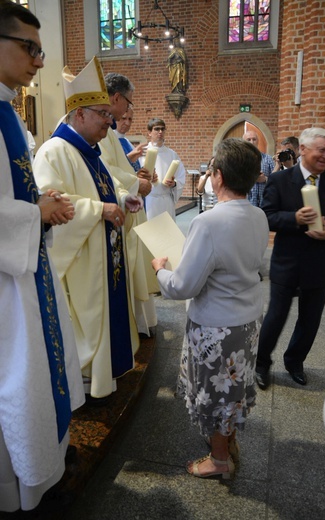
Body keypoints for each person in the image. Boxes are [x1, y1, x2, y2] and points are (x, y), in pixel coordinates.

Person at [0, 2, 84, 512]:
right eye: (29, 48)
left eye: (41, 49)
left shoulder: (7, 111)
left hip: (24, 269)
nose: (38, 61)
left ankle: (39, 469)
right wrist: (36, 212)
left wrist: (37, 209)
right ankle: (17, 486)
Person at [152, 138, 269, 479]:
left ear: (216, 176)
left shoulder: (208, 222)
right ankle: (226, 441)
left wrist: (160, 268)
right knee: (232, 390)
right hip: (246, 321)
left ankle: (219, 461)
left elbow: (183, 286)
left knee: (217, 394)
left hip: (216, 329)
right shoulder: (258, 215)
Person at [34, 57, 144, 400]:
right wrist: (99, 209)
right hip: (81, 263)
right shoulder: (53, 151)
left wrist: (124, 198)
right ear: (79, 114)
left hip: (103, 255)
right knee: (86, 321)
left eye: (110, 116)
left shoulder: (89, 152)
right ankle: (84, 382)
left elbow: (109, 183)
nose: (110, 123)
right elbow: (53, 208)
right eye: (104, 114)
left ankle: (104, 377)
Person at [255, 127, 325, 390]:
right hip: (287, 261)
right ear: (303, 150)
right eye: (321, 150)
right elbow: (268, 216)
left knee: (310, 320)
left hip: (319, 264)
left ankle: (295, 361)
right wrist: (293, 219)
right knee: (276, 315)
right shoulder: (280, 181)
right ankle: (261, 362)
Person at [99, 72, 158, 338]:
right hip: (113, 211)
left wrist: (138, 177)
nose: (128, 111)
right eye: (129, 104)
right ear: (117, 97)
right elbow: (104, 169)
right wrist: (135, 184)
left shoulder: (107, 130)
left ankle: (138, 323)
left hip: (126, 205)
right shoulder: (102, 129)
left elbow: (116, 167)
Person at [142, 117, 186, 221]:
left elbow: (181, 175)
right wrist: (148, 180)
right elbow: (136, 175)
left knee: (167, 233)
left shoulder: (172, 154)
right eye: (156, 129)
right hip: (149, 200)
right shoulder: (143, 153)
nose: (160, 132)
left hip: (166, 200)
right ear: (149, 132)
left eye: (162, 129)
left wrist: (174, 183)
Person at [243, 130, 274, 207]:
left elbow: (276, 180)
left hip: (264, 202)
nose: (252, 142)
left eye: (254, 139)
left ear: (258, 141)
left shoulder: (268, 159)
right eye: (248, 139)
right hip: (245, 202)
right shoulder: (239, 160)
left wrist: (265, 179)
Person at [113, 106, 147, 173]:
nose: (127, 123)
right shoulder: (108, 140)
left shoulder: (128, 142)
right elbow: (112, 168)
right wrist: (130, 157)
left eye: (130, 119)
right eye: (123, 118)